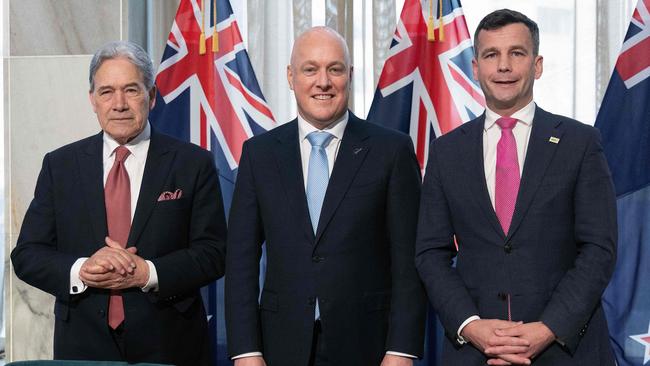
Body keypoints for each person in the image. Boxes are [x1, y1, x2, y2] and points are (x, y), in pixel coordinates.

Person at [415, 9, 617, 366]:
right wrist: (471, 326)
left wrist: (548, 328)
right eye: (491, 55)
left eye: (516, 53)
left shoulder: (580, 143)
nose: (503, 66)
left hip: (563, 351)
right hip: (476, 352)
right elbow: (431, 253)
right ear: (475, 69)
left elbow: (599, 249)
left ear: (537, 65)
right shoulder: (447, 152)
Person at [11, 41, 227, 366]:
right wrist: (81, 269)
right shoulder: (61, 165)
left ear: (152, 96)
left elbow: (214, 252)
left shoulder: (193, 163)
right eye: (107, 92)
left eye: (131, 90)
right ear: (92, 100)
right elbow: (27, 254)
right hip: (82, 345)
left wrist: (148, 273)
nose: (119, 104)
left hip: (170, 343)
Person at [225, 26, 426, 366]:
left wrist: (401, 350)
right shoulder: (259, 155)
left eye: (334, 69)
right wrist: (246, 351)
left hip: (369, 345)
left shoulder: (390, 150)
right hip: (280, 345)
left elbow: (408, 260)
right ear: (291, 76)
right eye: (310, 69)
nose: (323, 82)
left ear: (349, 75)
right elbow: (241, 261)